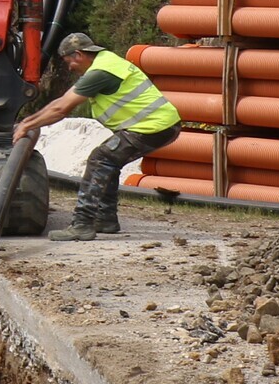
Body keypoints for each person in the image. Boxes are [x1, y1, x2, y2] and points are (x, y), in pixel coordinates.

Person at [12, 32, 182, 240]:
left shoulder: (101, 72)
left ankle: (82, 224)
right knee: (109, 161)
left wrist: (26, 125)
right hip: (158, 126)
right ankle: (106, 220)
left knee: (100, 159)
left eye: (68, 61)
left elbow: (61, 109)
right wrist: (28, 122)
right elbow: (61, 101)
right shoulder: (104, 63)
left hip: (153, 127)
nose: (69, 68)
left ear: (78, 54)